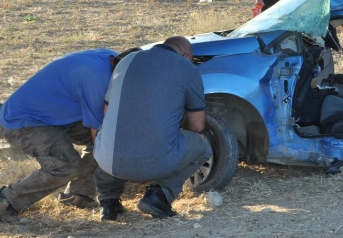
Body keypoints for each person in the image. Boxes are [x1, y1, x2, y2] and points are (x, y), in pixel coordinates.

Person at [0, 47, 138, 223]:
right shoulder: (97, 81)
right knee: (68, 165)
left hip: (55, 116)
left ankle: (79, 195)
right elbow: (101, 136)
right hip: (24, 123)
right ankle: (6, 201)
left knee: (107, 139)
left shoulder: (112, 58)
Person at [93, 36, 211, 221]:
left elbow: (107, 111)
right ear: (186, 55)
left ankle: (109, 204)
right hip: (155, 163)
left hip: (108, 161)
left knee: (109, 135)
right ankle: (159, 196)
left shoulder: (126, 60)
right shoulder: (186, 67)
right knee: (202, 148)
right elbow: (197, 125)